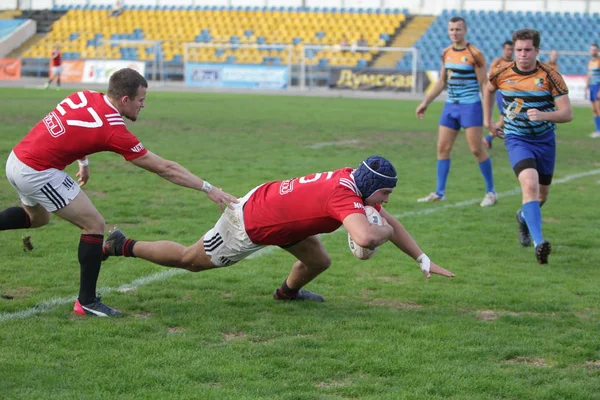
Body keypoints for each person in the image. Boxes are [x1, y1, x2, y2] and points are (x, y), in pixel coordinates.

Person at [1, 68, 238, 316]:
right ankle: (86, 302)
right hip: (37, 171)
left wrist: (83, 163)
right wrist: (207, 188)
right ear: (125, 99)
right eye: (141, 100)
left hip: (16, 159)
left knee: (38, 219)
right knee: (94, 224)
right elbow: (165, 168)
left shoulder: (84, 95)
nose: (143, 106)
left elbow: (72, 128)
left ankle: (87, 301)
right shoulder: (113, 129)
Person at [102, 156, 455, 305]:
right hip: (253, 222)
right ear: (371, 186)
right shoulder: (345, 196)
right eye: (386, 193)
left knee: (318, 260)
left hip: (277, 207)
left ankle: (286, 295)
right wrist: (383, 234)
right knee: (189, 260)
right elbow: (366, 239)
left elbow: (388, 222)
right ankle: (122, 244)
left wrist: (423, 260)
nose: (387, 202)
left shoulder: (356, 179)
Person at [484, 29, 572, 264]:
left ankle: (523, 217)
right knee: (530, 187)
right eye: (519, 50)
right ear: (514, 49)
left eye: (527, 50)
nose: (522, 54)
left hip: (545, 142)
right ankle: (539, 243)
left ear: (537, 51)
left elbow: (567, 113)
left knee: (542, 195)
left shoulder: (550, 75)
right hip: (517, 139)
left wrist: (544, 114)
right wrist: (488, 120)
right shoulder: (501, 71)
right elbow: (488, 89)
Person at [415, 16, 497, 207]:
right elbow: (442, 81)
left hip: (470, 106)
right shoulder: (446, 52)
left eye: (458, 29)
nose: (454, 33)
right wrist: (425, 102)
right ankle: (439, 192)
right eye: (451, 29)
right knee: (442, 149)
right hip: (450, 106)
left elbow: (484, 85)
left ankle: (491, 192)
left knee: (477, 149)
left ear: (465, 30)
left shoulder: (475, 53)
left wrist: (487, 116)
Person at [484, 40, 514, 149]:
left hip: (512, 95)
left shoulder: (516, 63)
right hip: (501, 93)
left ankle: (488, 139)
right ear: (503, 50)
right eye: (507, 49)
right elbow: (491, 79)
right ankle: (489, 139)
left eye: (511, 49)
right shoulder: (497, 62)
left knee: (504, 120)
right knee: (507, 118)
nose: (509, 52)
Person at [585, 43, 600, 138]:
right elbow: (589, 75)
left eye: (594, 49)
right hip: (592, 87)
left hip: (598, 86)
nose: (593, 51)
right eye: (591, 49)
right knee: (594, 109)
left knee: (599, 109)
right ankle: (597, 129)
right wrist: (586, 88)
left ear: (597, 51)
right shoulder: (590, 62)